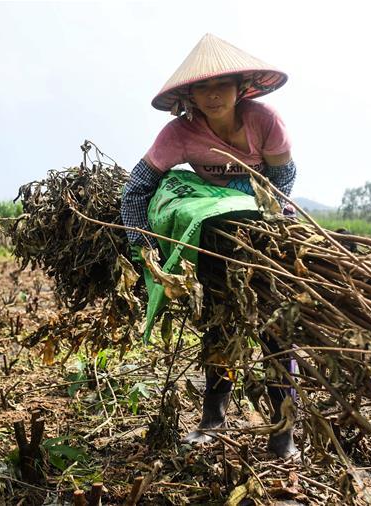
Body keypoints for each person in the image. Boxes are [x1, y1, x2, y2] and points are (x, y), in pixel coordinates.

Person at [120, 34, 301, 458]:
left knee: (277, 331)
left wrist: (268, 225)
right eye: (203, 87)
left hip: (264, 238)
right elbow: (135, 191)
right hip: (214, 241)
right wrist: (143, 247)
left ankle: (283, 432)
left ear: (242, 87)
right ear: (190, 96)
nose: (214, 94)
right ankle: (212, 420)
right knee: (220, 323)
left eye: (223, 84)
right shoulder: (179, 133)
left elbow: (285, 181)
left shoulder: (265, 121)